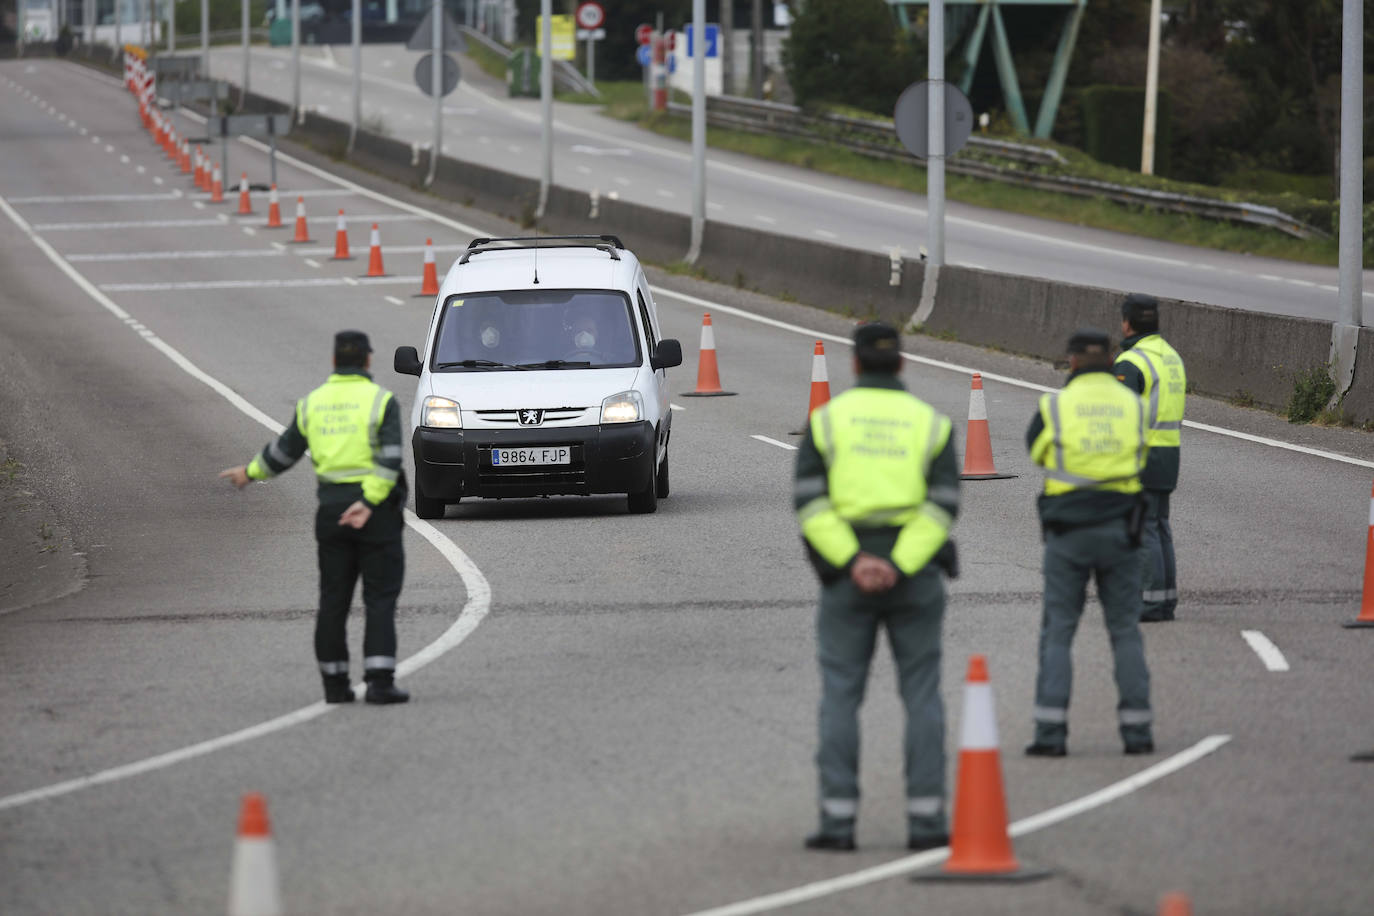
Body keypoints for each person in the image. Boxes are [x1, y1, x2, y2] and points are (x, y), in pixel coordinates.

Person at [793, 322, 961, 852]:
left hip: (847, 578)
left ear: (856, 364)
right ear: (903, 364)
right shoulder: (931, 424)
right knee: (922, 695)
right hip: (915, 577)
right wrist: (901, 563)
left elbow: (810, 503)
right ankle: (927, 822)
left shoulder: (828, 422)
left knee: (841, 696)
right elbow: (943, 507)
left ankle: (839, 822)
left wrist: (854, 561)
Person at [219, 330, 410, 705]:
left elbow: (284, 452)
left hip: (331, 513)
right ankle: (379, 682)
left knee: (333, 600)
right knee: (380, 598)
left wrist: (250, 472)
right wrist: (369, 503)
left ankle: (335, 686)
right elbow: (390, 461)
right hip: (374, 514)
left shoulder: (312, 404)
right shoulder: (381, 401)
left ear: (335, 360)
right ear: (368, 360)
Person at [1025, 328, 1152, 757]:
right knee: (1124, 630)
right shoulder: (1134, 406)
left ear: (1072, 361)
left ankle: (1050, 733)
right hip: (1122, 531)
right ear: (1113, 358)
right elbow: (1142, 456)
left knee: (1058, 631)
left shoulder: (1056, 406)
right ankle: (1137, 733)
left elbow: (1037, 452)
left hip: (1069, 534)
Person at [1114, 293, 1187, 622]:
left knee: (1145, 529)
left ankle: (1152, 603)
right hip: (1168, 452)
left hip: (1141, 454)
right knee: (1159, 526)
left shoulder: (1132, 362)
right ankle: (1165, 599)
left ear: (1127, 323)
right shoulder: (1171, 356)